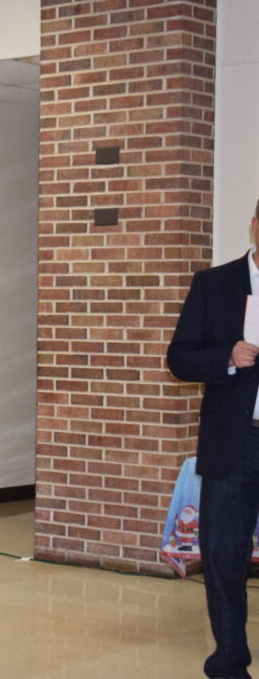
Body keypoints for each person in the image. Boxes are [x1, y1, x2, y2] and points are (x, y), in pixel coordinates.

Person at [168, 202, 259, 679]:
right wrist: (226, 357)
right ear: (255, 225)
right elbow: (179, 358)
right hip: (233, 439)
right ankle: (229, 657)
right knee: (225, 551)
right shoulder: (214, 284)